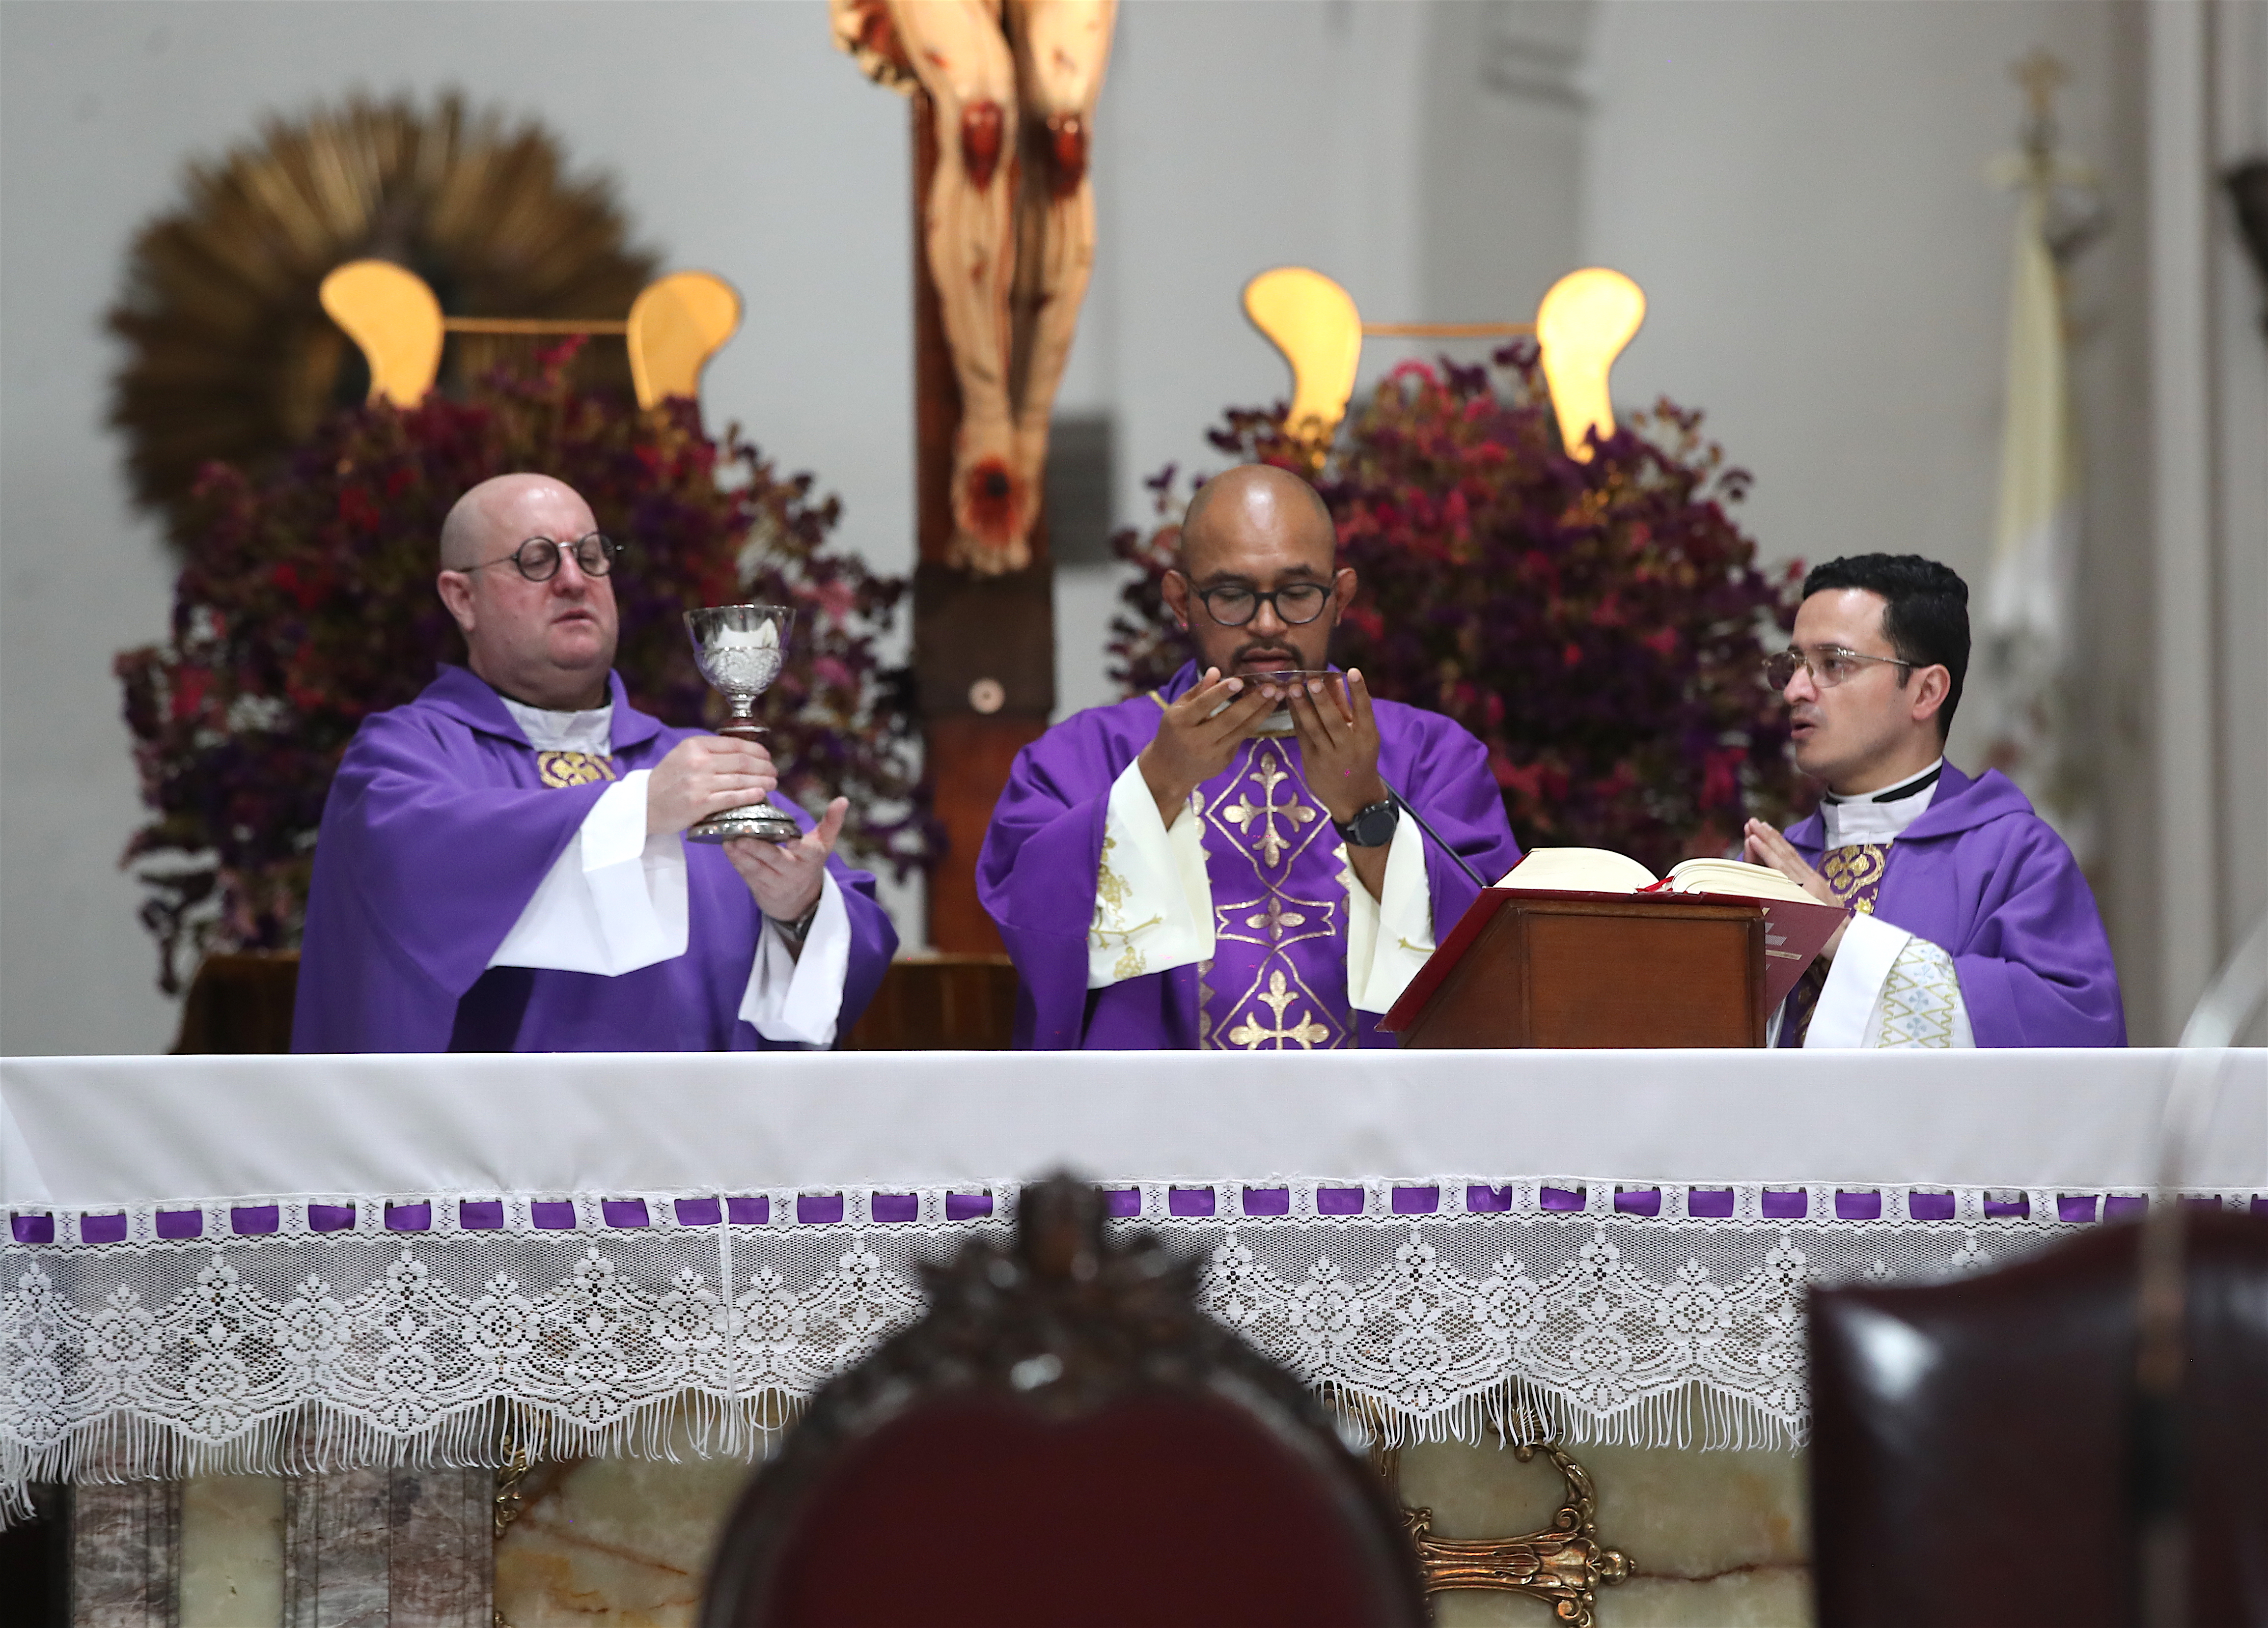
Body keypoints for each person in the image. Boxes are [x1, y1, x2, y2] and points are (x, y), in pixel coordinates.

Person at [293, 473, 896, 1052]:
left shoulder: (694, 766)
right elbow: (416, 869)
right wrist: (637, 809)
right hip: (500, 1146)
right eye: (536, 559)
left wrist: (798, 910)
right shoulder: (404, 758)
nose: (574, 580)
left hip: (698, 1141)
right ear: (461, 597)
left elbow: (853, 933)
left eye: (591, 554)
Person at [978, 463, 1521, 1048]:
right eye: (1233, 595)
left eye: (1296, 593)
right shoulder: (1079, 757)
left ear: (1339, 597)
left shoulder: (1430, 755)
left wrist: (1365, 810)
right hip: (1160, 1126)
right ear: (1182, 600)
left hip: (1374, 1122)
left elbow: (1500, 955)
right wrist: (1157, 786)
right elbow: (1030, 922)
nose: (1267, 624)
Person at [1742, 554, 2123, 1047]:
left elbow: (2074, 1031)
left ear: (1926, 692)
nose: (1795, 689)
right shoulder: (1771, 864)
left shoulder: (2015, 857)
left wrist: (1842, 936)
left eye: (1832, 663)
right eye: (1791, 664)